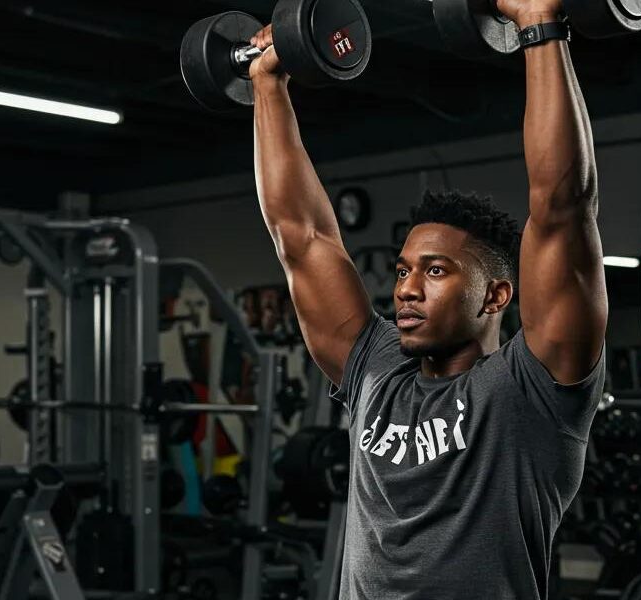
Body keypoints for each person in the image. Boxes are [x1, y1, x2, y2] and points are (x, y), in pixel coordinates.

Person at [248, 0, 608, 596]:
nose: (407, 290)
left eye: (436, 271)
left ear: (495, 295)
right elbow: (302, 237)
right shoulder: (376, 368)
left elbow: (563, 206)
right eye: (403, 270)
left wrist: (540, 26)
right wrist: (268, 83)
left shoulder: (534, 392)